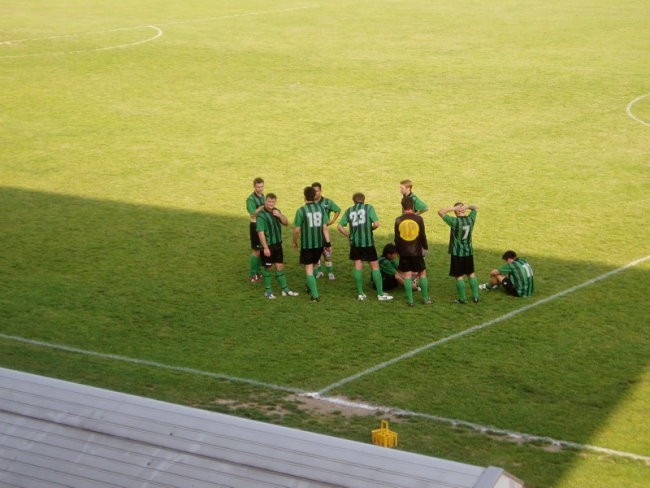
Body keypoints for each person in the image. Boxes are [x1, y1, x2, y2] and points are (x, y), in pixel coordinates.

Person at [337, 193, 393, 301]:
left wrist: (349, 235)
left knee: (358, 266)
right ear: (364, 200)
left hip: (355, 244)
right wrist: (370, 229)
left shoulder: (349, 210)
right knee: (375, 267)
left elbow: (339, 226)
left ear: (353, 201)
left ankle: (360, 294)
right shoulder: (369, 208)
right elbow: (376, 224)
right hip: (367, 243)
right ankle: (380, 294)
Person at [293, 186, 332, 302]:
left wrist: (294, 241)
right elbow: (325, 228)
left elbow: (296, 230)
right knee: (315, 265)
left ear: (305, 197)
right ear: (314, 196)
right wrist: (328, 244)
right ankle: (309, 287)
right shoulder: (321, 209)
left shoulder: (301, 210)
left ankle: (315, 296)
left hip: (307, 245)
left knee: (309, 269)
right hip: (319, 244)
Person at [256, 193, 299, 299]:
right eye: (269, 202)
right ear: (265, 201)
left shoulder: (276, 211)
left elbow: (286, 222)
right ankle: (268, 292)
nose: (271, 204)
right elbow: (260, 232)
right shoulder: (261, 215)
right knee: (268, 268)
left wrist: (279, 215)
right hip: (268, 246)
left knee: (280, 266)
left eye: (273, 202)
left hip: (278, 245)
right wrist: (265, 248)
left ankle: (285, 290)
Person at [438, 202, 480, 304]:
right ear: (464, 210)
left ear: (456, 212)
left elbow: (440, 212)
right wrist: (468, 206)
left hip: (457, 253)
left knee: (459, 275)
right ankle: (476, 297)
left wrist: (453, 208)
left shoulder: (454, 221)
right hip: (468, 251)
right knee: (471, 274)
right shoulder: (470, 219)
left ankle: (462, 299)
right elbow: (475, 208)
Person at [394, 196, 431, 306]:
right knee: (422, 273)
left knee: (407, 275)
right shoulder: (418, 219)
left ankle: (410, 301)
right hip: (416, 251)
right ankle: (425, 299)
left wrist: (398, 252)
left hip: (404, 252)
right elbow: (422, 235)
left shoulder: (398, 220)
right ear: (413, 206)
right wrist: (425, 247)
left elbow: (397, 238)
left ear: (403, 206)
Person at [312, 182, 341, 280]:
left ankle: (330, 273)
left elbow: (337, 210)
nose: (315, 193)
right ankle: (319, 272)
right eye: (313, 191)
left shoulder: (328, 202)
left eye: (316, 191)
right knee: (316, 254)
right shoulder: (310, 203)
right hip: (313, 233)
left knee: (327, 253)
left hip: (324, 232)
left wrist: (332, 221)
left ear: (320, 191)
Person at [245, 177, 265, 283]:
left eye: (262, 186)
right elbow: (252, 213)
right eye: (258, 187)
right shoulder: (251, 199)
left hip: (262, 225)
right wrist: (262, 207)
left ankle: (258, 272)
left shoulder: (263, 196)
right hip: (255, 225)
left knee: (261, 250)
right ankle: (252, 275)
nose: (260, 189)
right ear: (254, 186)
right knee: (256, 251)